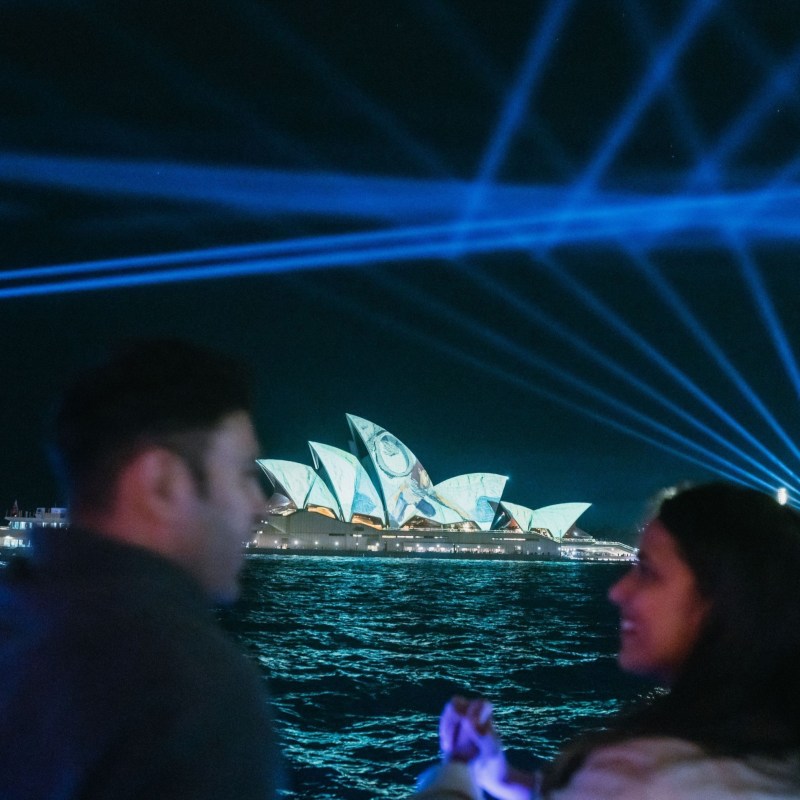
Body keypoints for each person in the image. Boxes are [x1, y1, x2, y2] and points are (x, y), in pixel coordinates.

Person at [0, 338, 284, 799]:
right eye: (245, 475)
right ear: (162, 483)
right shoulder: (194, 690)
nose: (261, 505)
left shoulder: (19, 626)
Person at [415, 482, 800, 799]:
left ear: (722, 598)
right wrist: (501, 776)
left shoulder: (645, 778)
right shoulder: (770, 749)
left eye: (647, 571)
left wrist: (455, 773)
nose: (617, 592)